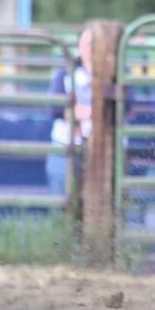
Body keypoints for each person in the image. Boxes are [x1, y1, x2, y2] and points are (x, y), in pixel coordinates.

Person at [45, 27, 94, 203]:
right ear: (80, 45)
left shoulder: (117, 74)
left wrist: (81, 112)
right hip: (66, 146)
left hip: (102, 149)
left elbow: (126, 104)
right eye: (88, 43)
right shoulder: (66, 72)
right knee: (63, 202)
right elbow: (54, 107)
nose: (92, 48)